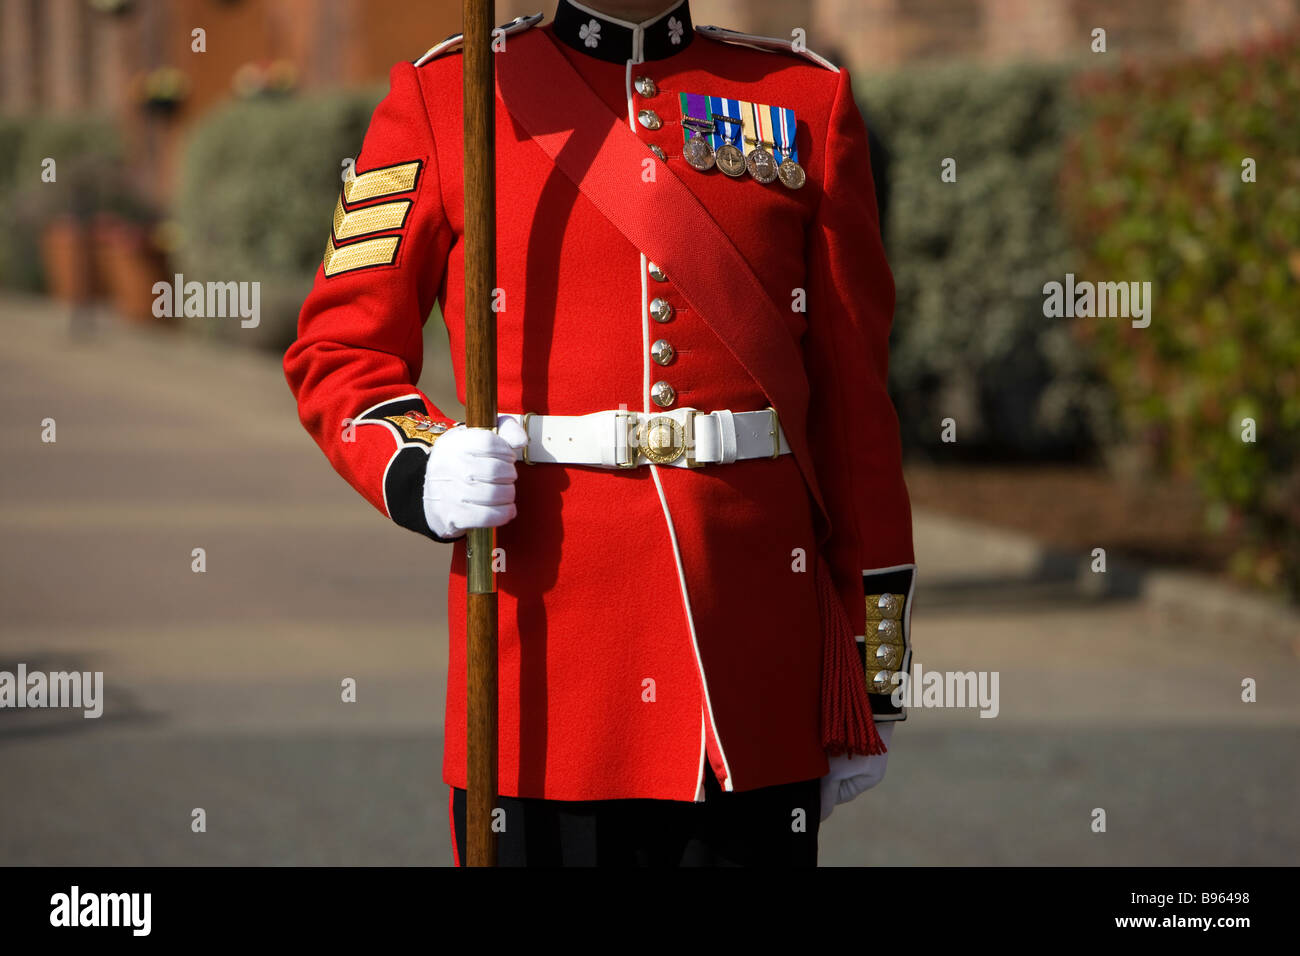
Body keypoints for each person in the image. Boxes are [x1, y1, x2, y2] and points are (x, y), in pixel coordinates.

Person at [283, 0, 915, 867]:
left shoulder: (801, 97)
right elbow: (337, 347)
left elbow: (853, 416)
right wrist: (420, 462)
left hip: (751, 678)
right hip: (546, 670)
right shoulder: (450, 95)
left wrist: (864, 667)